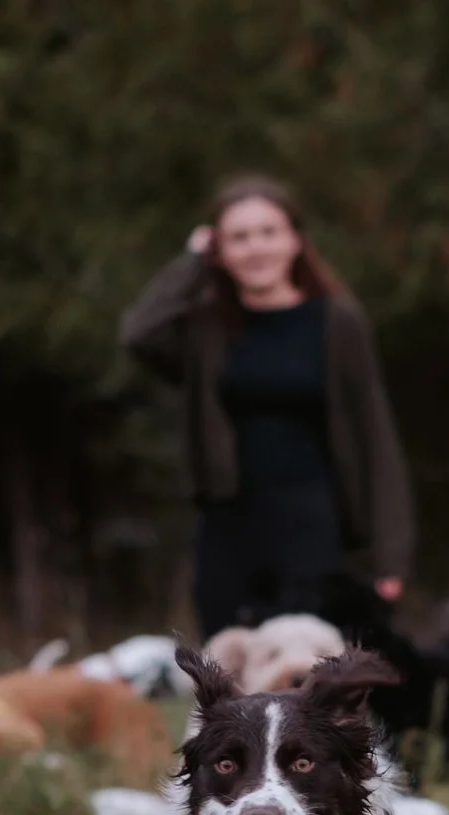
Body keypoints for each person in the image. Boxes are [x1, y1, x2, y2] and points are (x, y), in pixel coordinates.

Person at [120, 175, 415, 639]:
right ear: (221, 250)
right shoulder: (206, 329)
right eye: (239, 237)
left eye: (269, 232)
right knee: (228, 670)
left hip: (314, 525)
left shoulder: (337, 322)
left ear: (295, 239)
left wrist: (390, 554)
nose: (256, 248)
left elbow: (375, 437)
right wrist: (193, 262)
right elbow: (139, 332)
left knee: (308, 675)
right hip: (228, 526)